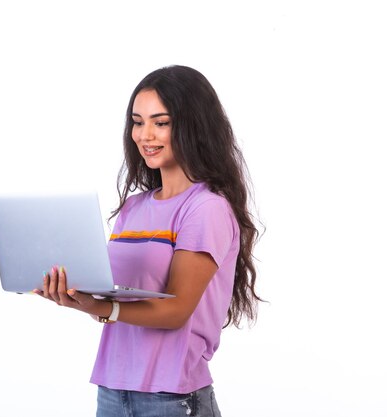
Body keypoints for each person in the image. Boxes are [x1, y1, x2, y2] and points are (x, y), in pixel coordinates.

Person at [33, 65, 262, 417]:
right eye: (138, 122)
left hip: (171, 398)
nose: (145, 135)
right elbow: (121, 300)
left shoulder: (206, 208)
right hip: (112, 391)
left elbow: (175, 311)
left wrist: (100, 308)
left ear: (192, 125)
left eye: (161, 122)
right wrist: (76, 295)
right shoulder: (133, 209)